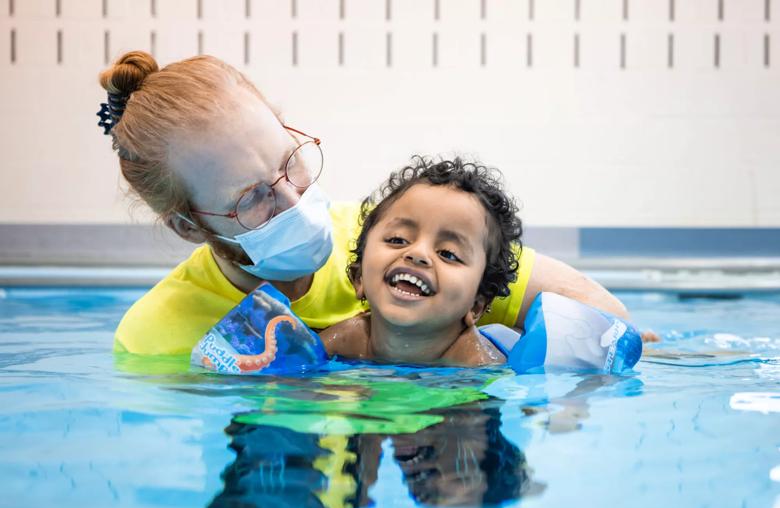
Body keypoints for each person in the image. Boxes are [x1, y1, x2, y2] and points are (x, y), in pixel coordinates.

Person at [98, 51, 630, 356]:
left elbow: (607, 319)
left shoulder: (384, 240)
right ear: (189, 226)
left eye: (292, 160)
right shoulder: (157, 336)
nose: (295, 200)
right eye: (253, 197)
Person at [320, 156, 523, 366]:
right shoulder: (348, 339)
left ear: (476, 306)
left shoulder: (476, 366)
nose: (418, 253)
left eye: (448, 253)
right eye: (397, 239)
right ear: (359, 278)